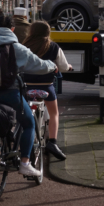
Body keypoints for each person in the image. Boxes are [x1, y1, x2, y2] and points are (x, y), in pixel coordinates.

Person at [0, 13, 57, 178]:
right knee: (28, 123)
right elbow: (39, 65)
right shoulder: (18, 48)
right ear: (12, 29)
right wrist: (52, 66)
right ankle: (25, 164)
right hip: (11, 94)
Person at [22, 22, 72, 160]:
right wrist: (68, 67)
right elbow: (63, 66)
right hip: (46, 86)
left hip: (27, 86)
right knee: (54, 113)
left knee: (23, 113)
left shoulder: (24, 46)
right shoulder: (53, 46)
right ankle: (53, 142)